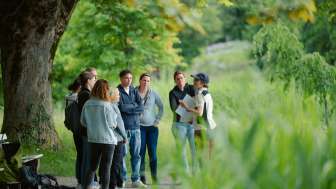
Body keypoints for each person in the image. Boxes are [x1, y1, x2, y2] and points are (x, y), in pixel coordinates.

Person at [81, 79, 118, 189]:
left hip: (93, 139)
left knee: (92, 167)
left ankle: (86, 187)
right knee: (106, 169)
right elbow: (113, 124)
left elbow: (83, 122)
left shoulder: (87, 104)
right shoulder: (107, 105)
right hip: (108, 141)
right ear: (105, 90)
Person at [117, 70, 147, 188]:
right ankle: (123, 179)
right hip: (123, 129)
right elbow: (121, 108)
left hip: (136, 128)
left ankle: (136, 180)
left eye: (130, 78)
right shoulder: (117, 91)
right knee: (122, 155)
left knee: (136, 155)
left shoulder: (134, 90)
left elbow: (141, 107)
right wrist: (134, 107)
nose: (129, 80)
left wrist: (130, 107)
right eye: (126, 78)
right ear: (121, 79)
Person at [179, 73, 216, 161]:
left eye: (196, 80)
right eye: (194, 79)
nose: (194, 82)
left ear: (203, 83)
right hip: (211, 127)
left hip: (201, 129)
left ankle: (201, 175)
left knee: (201, 158)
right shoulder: (207, 94)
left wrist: (186, 107)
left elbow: (199, 113)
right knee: (209, 158)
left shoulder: (200, 95)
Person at [137, 73, 163, 184]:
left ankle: (154, 178)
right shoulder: (134, 92)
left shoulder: (153, 94)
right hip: (139, 128)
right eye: (144, 80)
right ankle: (142, 178)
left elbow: (161, 107)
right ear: (140, 81)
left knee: (152, 153)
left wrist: (157, 120)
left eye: (148, 81)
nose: (146, 82)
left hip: (152, 128)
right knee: (141, 153)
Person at [168, 71, 196, 174]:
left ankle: (195, 174)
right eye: (177, 79)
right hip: (179, 125)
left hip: (192, 124)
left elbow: (198, 103)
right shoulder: (172, 92)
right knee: (182, 151)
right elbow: (174, 109)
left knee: (195, 150)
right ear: (175, 80)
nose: (180, 80)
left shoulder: (191, 88)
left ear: (185, 78)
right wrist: (190, 104)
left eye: (181, 78)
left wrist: (184, 104)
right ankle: (186, 175)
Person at [77, 71, 97, 189]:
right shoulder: (85, 94)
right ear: (88, 81)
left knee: (86, 157)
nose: (95, 81)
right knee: (87, 158)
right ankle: (86, 183)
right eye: (94, 79)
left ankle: (85, 182)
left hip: (86, 130)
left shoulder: (84, 93)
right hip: (87, 131)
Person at [109, 88, 128, 189]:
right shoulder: (113, 106)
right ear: (111, 96)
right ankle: (113, 184)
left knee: (113, 162)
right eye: (117, 94)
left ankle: (119, 181)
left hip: (111, 138)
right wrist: (125, 136)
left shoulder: (109, 105)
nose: (119, 96)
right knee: (116, 162)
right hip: (118, 138)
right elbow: (119, 124)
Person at [65, 77, 81, 186]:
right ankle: (82, 179)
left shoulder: (68, 97)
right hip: (81, 129)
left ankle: (79, 178)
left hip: (74, 130)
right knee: (84, 155)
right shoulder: (77, 98)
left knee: (80, 154)